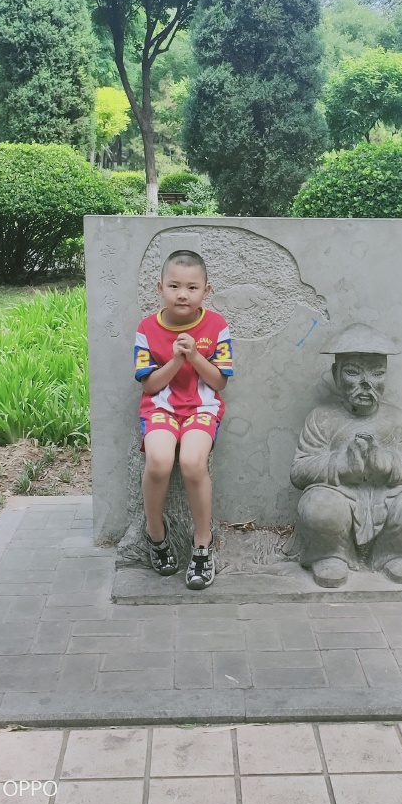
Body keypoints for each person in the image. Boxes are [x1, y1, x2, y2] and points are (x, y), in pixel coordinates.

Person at [291, 323, 402, 588]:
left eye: (377, 373)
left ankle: (394, 553)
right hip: (341, 498)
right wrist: (340, 465)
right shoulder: (322, 419)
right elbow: (299, 471)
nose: (365, 383)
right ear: (336, 375)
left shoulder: (398, 420)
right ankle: (332, 554)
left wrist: (389, 465)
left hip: (389, 499)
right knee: (316, 506)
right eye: (352, 372)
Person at [134, 249, 233, 590]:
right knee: (159, 461)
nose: (182, 294)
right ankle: (155, 534)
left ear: (206, 290)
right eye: (174, 286)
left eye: (192, 287)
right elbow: (149, 385)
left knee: (192, 462)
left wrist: (194, 356)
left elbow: (219, 382)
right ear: (160, 287)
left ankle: (202, 544)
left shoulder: (216, 325)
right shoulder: (147, 328)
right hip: (160, 408)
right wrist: (176, 360)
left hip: (202, 409)